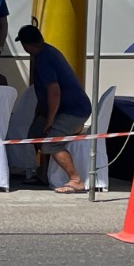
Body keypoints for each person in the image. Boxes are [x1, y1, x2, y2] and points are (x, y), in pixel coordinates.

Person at [15, 24, 92, 194]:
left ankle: (75, 180)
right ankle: (43, 174)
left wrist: (49, 120)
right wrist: (41, 116)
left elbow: (54, 91)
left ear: (26, 45)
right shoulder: (46, 52)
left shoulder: (44, 59)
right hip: (63, 109)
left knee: (52, 141)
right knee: (35, 134)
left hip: (74, 111)